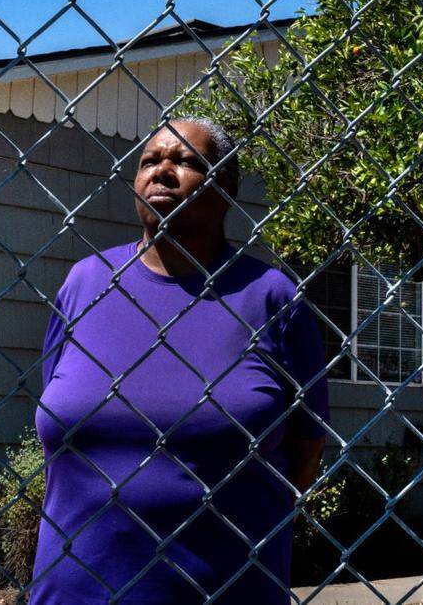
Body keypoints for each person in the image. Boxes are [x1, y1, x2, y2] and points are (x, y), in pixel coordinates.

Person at [29, 116, 331, 604]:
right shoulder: (84, 284)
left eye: (187, 161)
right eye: (150, 160)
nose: (162, 171)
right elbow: (59, 424)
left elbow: (306, 443)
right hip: (75, 592)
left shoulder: (270, 296)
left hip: (226, 590)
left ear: (226, 187)